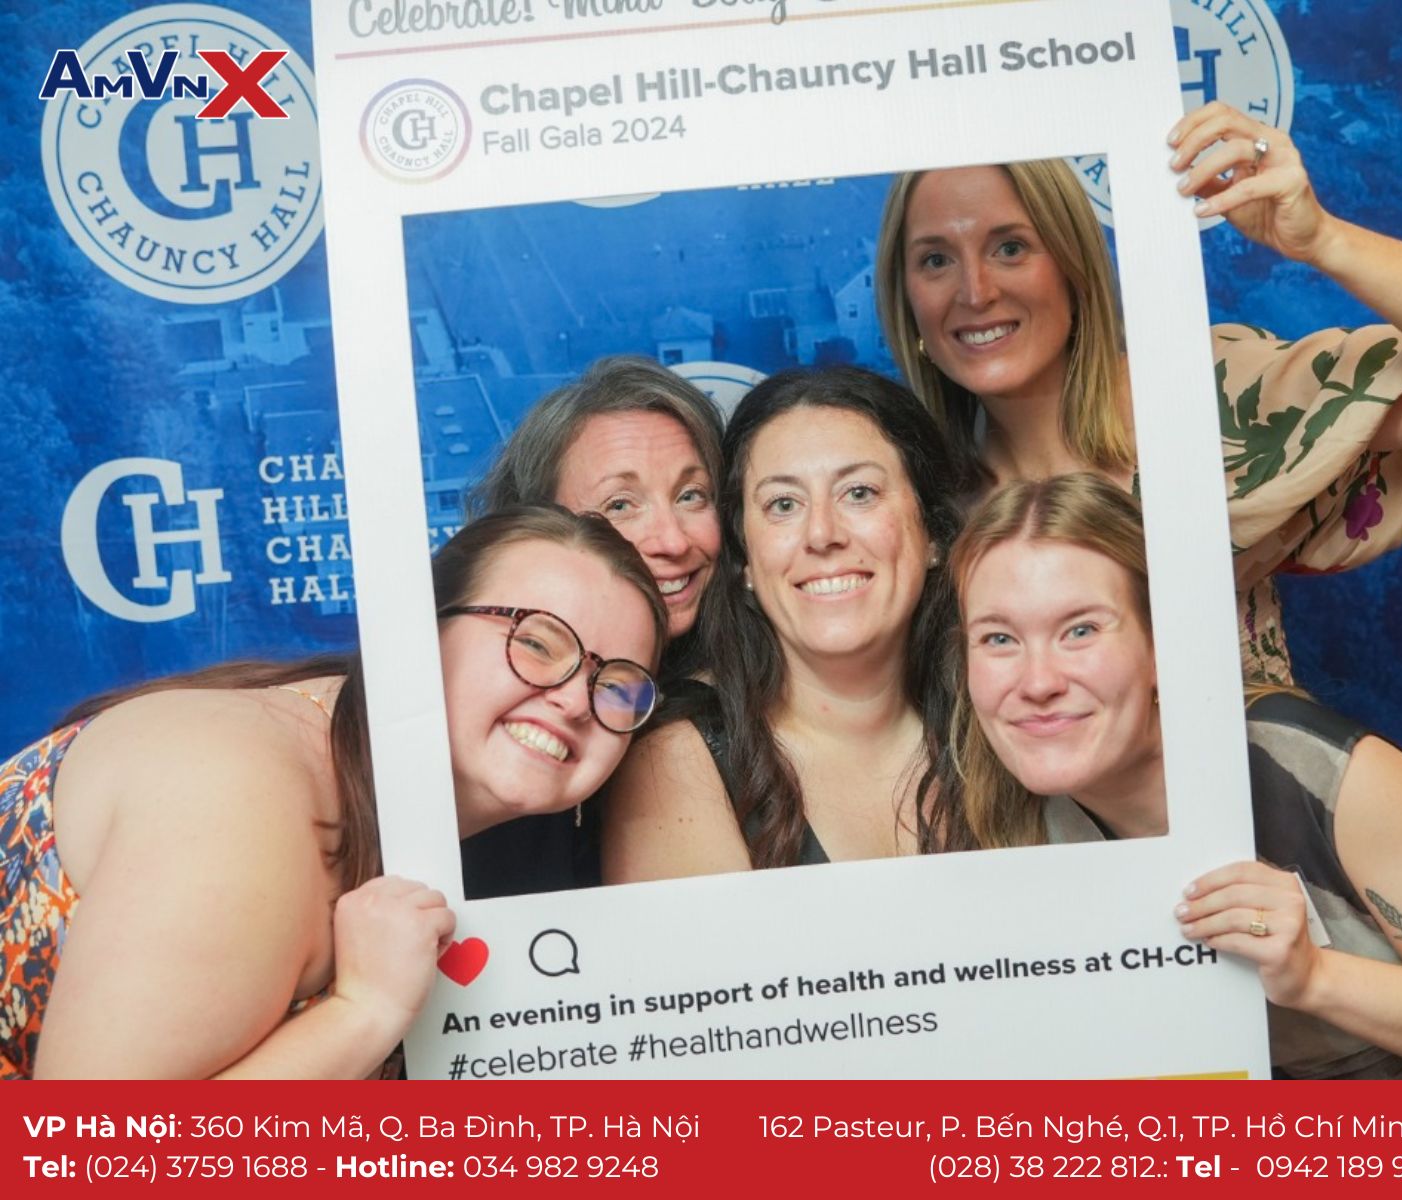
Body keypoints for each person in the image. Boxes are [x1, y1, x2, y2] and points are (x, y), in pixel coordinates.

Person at [876, 102, 1402, 682]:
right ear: (907, 302)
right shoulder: (912, 497)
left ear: (1074, 268)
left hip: (1250, 795)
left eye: (1010, 248)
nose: (975, 292)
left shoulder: (1208, 396)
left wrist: (1321, 239)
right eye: (936, 259)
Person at [947, 474, 1402, 1078]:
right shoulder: (1009, 823)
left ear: (1161, 645)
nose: (1037, 682)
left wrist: (1315, 977)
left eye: (1081, 630)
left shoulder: (1307, 767)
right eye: (999, 639)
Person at [1, 506, 665, 1078]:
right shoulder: (245, 801)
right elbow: (86, 1154)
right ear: (418, 632)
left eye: (616, 686)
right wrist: (364, 1010)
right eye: (539, 643)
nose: (575, 701)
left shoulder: (429, 821)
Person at [603, 366, 964, 877]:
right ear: (745, 560)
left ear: (933, 535)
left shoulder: (1004, 724)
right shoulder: (680, 762)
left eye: (859, 492)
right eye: (784, 504)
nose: (822, 534)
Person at [465, 357, 724, 896]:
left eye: (691, 495)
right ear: (537, 523)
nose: (673, 540)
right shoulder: (484, 720)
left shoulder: (758, 711)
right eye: (621, 504)